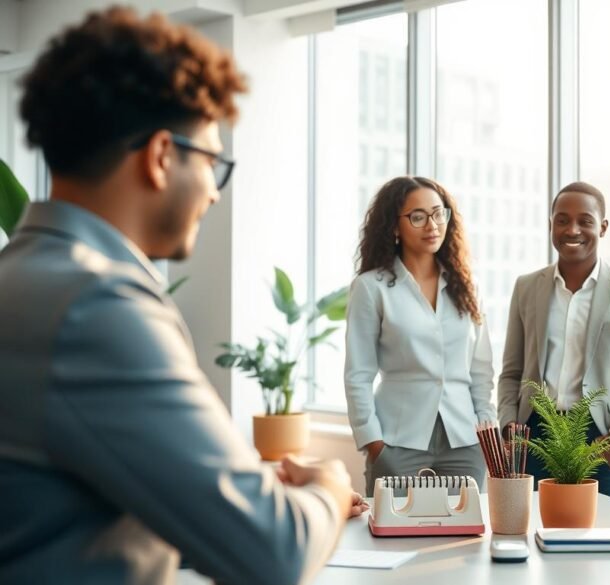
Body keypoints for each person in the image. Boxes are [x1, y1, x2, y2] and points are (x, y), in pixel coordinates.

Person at [0, 7, 364, 585]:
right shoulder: (97, 307)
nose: (216, 195)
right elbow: (276, 554)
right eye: (214, 163)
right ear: (162, 156)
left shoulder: (23, 279)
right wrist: (331, 487)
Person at [498, 181, 610, 501]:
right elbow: (511, 371)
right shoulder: (527, 287)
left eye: (584, 221)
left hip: (598, 437)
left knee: (598, 542)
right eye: (562, 220)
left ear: (602, 228)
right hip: (534, 435)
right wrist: (509, 426)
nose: (572, 229)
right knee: (533, 536)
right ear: (551, 225)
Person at [345, 176, 495, 495]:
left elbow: (480, 369)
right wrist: (374, 445)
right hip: (398, 443)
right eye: (418, 217)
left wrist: (486, 425)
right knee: (394, 540)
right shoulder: (371, 288)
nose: (432, 225)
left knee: (462, 541)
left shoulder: (467, 286)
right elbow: (358, 374)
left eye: (438, 213)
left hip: (465, 443)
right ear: (394, 227)